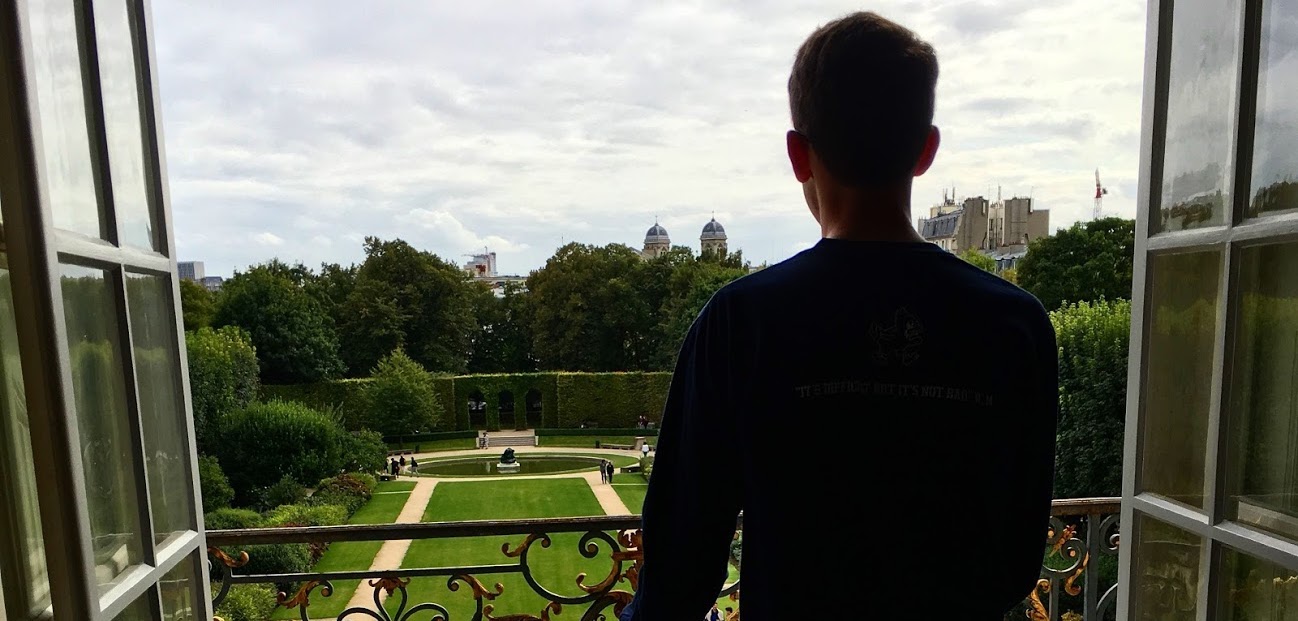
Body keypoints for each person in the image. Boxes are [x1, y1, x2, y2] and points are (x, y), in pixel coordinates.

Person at [621, 12, 1058, 621]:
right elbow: (1016, 555)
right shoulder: (1017, 325)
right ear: (926, 150)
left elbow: (680, 567)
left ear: (799, 154)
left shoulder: (740, 321)